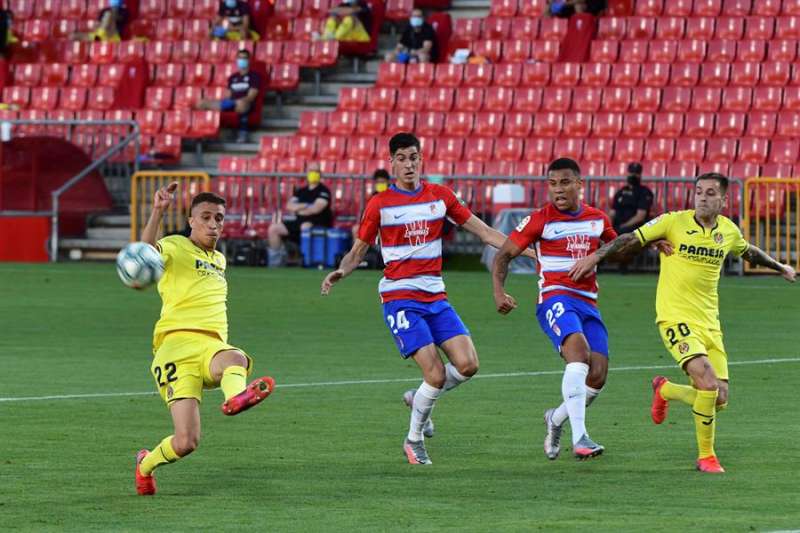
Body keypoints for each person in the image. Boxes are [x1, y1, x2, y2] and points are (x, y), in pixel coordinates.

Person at [320, 132, 536, 465]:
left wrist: (523, 249)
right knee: (434, 374)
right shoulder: (379, 205)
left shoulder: (441, 197)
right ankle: (414, 439)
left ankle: (418, 398)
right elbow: (357, 251)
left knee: (468, 365)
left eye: (414, 157)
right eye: (402, 158)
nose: (409, 164)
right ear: (391, 163)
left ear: (422, 159)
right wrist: (341, 271)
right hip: (399, 297)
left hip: (436, 296)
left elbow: (485, 232)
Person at [568, 172, 796, 473]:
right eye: (698, 191)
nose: (702, 197)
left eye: (710, 192)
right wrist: (596, 257)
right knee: (707, 383)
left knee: (719, 398)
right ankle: (706, 457)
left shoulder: (727, 230)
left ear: (724, 200)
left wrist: (780, 266)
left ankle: (666, 390)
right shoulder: (672, 221)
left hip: (710, 323)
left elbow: (747, 250)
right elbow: (629, 239)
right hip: (675, 317)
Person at [134, 183, 275, 495]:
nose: (214, 224)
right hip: (174, 348)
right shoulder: (173, 246)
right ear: (191, 220)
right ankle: (145, 465)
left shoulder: (219, 260)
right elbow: (145, 253)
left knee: (235, 357)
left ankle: (234, 398)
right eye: (207, 217)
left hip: (210, 347)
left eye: (220, 218)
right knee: (186, 442)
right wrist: (158, 210)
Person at [491, 158, 623, 461]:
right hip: (555, 297)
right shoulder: (540, 220)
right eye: (552, 184)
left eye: (564, 182)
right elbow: (503, 256)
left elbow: (619, 249)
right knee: (578, 355)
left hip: (588, 302)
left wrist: (653, 242)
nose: (558, 190)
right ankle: (581, 438)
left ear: (579, 184)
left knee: (598, 375)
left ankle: (555, 419)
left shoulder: (597, 219)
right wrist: (499, 291)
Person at [267, 162, 333, 267]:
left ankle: (306, 261)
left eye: (316, 171)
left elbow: (316, 209)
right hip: (299, 221)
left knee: (305, 226)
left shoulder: (324, 191)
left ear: (320, 174)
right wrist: (307, 205)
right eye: (311, 171)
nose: (313, 174)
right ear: (307, 173)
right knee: (274, 228)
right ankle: (275, 263)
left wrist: (298, 208)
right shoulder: (300, 191)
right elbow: (289, 205)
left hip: (318, 223)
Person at [196, 49, 261, 143]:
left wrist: (238, 101)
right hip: (231, 103)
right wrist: (222, 103)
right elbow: (227, 96)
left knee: (241, 104)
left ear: (249, 60)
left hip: (245, 103)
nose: (242, 60)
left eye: (244, 58)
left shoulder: (254, 76)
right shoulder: (233, 77)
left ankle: (242, 133)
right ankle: (207, 134)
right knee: (201, 103)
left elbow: (251, 96)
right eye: (240, 58)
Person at [610, 162, 654, 235]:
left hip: (633, 227)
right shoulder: (620, 192)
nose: (633, 175)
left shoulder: (645, 192)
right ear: (628, 173)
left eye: (636, 173)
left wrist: (623, 226)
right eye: (631, 172)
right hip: (617, 226)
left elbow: (640, 216)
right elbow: (612, 213)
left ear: (640, 175)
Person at [351, 169, 391, 242]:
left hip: (388, 224)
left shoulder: (393, 195)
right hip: (375, 224)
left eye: (382, 182)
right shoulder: (374, 196)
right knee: (356, 229)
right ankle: (360, 253)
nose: (380, 184)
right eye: (378, 182)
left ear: (388, 182)